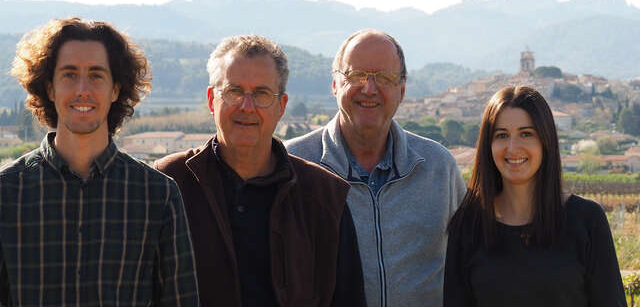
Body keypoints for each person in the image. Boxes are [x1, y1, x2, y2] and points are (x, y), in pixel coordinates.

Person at [154, 35, 365, 307]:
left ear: (281, 106)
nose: (247, 106)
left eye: (262, 94)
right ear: (211, 100)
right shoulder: (170, 183)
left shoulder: (324, 196)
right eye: (234, 91)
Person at [1, 17, 199, 306]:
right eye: (69, 74)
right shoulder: (6, 193)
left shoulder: (158, 195)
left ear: (116, 89)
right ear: (50, 88)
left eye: (96, 75)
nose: (83, 89)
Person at [285, 29, 466, 307]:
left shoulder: (439, 168)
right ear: (335, 84)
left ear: (402, 90)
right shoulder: (293, 165)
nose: (369, 89)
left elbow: (469, 265)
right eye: (356, 76)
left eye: (385, 78)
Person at [443, 86, 627, 307]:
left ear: (545, 141)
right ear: (488, 145)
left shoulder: (587, 220)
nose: (512, 148)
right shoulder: (467, 225)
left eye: (526, 134)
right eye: (502, 135)